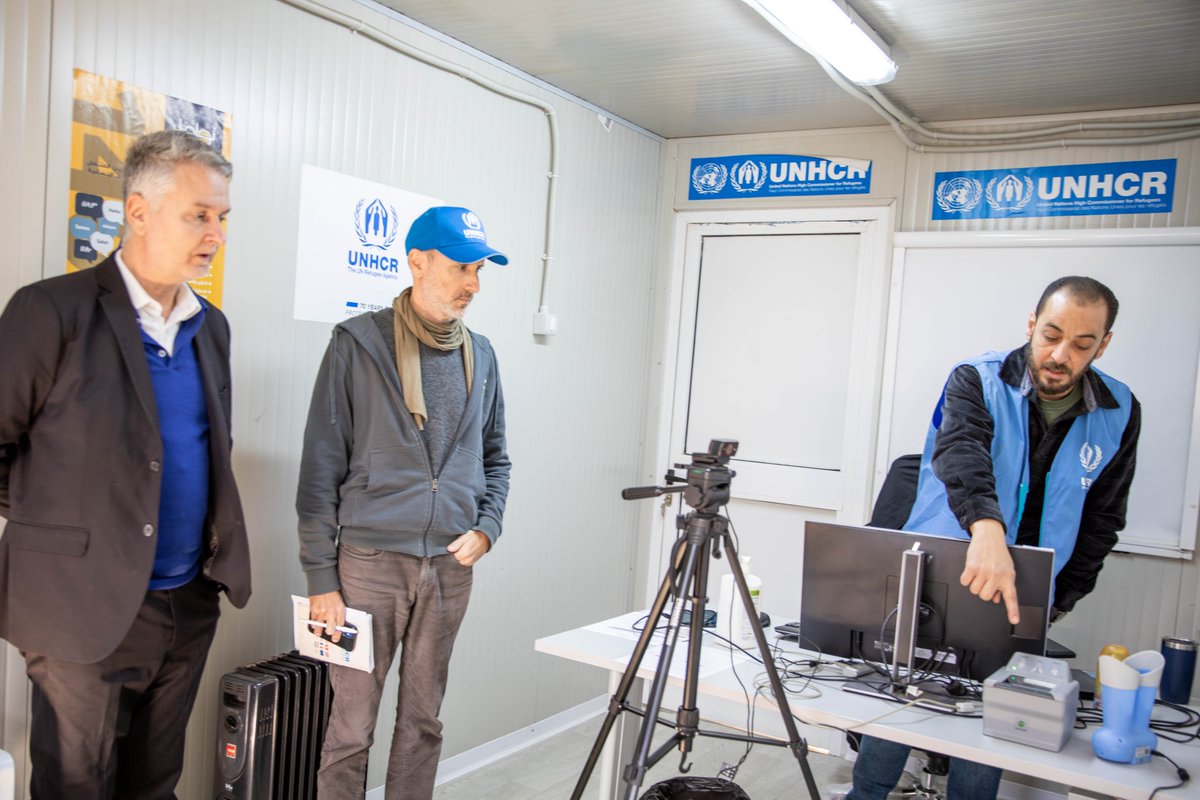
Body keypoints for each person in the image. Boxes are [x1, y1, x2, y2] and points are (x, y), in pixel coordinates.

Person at [0, 129, 251, 798]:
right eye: (198, 214)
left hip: (185, 604)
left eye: (222, 217)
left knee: (154, 786)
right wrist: (67, 538)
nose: (215, 232)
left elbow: (206, 452)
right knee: (76, 788)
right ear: (138, 212)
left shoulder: (211, 326)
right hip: (81, 612)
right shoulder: (51, 310)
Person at [850, 275, 1140, 800]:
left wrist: (1059, 599)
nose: (1060, 354)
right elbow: (962, 456)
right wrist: (987, 532)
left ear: (1104, 344)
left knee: (990, 720)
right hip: (941, 570)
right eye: (1050, 335)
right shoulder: (975, 380)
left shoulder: (1119, 408)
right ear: (1031, 325)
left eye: (1081, 344)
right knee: (902, 703)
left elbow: (1103, 515)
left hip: (1025, 591)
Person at [297, 205, 512, 799]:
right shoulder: (357, 345)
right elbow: (320, 467)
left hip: (449, 567)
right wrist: (321, 577)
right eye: (462, 267)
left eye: (481, 270)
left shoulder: (483, 355)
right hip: (367, 568)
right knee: (350, 728)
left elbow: (495, 458)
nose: (473, 283)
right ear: (417, 262)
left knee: (423, 723)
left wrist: (488, 526)